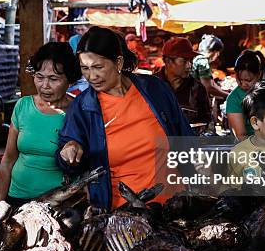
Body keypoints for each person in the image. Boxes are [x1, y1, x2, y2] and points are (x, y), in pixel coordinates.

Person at [57, 27, 193, 210]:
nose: (92, 76)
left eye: (98, 67)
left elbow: (185, 139)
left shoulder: (155, 90)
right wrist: (69, 152)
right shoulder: (82, 108)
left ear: (118, 62)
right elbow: (69, 164)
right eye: (85, 69)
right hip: (123, 217)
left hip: (174, 206)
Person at [0, 43, 81, 208]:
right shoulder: (23, 106)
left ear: (69, 80)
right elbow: (8, 159)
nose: (45, 85)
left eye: (53, 79)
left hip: (60, 202)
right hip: (18, 198)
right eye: (39, 77)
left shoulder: (78, 110)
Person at [154, 37, 211, 125]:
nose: (189, 66)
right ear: (168, 61)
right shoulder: (152, 85)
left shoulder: (197, 89)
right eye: (184, 61)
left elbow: (205, 123)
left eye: (190, 61)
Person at [226, 50, 265, 141]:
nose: (243, 84)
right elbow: (241, 135)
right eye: (239, 80)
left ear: (259, 74)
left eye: (248, 80)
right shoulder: (234, 99)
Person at [192, 34, 229, 99]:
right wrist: (228, 96)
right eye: (218, 52)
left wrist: (224, 92)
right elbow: (208, 87)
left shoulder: (198, 58)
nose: (218, 55)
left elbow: (212, 83)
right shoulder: (203, 62)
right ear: (215, 51)